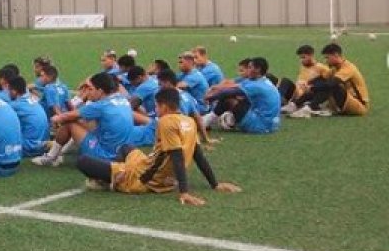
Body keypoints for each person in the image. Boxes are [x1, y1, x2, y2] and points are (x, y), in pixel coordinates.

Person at [77, 89, 242, 204]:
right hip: (158, 174)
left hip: (145, 178)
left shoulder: (165, 122)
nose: (156, 109)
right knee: (126, 147)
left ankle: (114, 178)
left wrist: (184, 192)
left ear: (164, 106)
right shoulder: (189, 122)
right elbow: (198, 155)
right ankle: (115, 172)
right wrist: (214, 184)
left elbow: (177, 156)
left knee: (83, 161)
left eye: (156, 106)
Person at [33, 73, 136, 167]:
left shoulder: (100, 106)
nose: (88, 92)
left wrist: (56, 119)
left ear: (100, 91)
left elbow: (67, 116)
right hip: (124, 154)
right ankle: (65, 149)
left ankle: (51, 157)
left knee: (70, 123)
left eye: (91, 89)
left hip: (106, 156)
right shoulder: (122, 99)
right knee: (84, 122)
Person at [203, 57, 281, 134]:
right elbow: (234, 86)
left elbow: (228, 93)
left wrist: (208, 98)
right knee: (241, 98)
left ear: (257, 69)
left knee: (228, 99)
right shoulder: (263, 81)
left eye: (249, 67)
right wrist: (216, 88)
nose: (248, 70)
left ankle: (205, 122)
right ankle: (229, 119)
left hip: (260, 126)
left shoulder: (256, 85)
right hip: (272, 125)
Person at [292, 44, 370, 118]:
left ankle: (309, 108)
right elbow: (321, 78)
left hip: (359, 105)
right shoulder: (335, 68)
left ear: (336, 55)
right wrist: (308, 83)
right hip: (346, 101)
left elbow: (331, 84)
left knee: (332, 86)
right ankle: (295, 104)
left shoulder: (348, 68)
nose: (326, 61)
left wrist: (312, 88)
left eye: (327, 58)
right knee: (322, 83)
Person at [4, 76, 50, 158]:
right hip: (42, 143)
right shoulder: (31, 98)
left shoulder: (16, 105)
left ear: (14, 91)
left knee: (1, 144)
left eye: (9, 90)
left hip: (30, 147)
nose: (8, 93)